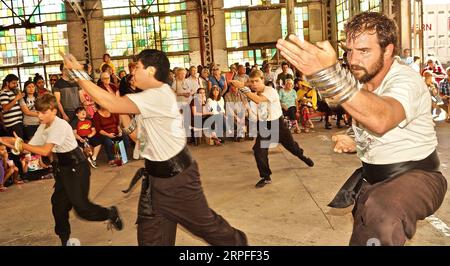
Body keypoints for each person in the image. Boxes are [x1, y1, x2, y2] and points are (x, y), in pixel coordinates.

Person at [277, 11, 447, 246]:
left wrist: (327, 75)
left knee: (382, 215)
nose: (353, 59)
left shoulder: (404, 80)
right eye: (349, 51)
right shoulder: (364, 80)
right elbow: (372, 118)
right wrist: (353, 138)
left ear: (388, 50)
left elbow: (381, 117)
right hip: (373, 179)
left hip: (416, 177)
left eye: (364, 51)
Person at [60, 48, 247, 246]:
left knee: (210, 229)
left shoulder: (159, 94)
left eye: (136, 68)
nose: (132, 72)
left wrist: (78, 74)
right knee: (151, 241)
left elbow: (111, 104)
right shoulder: (147, 100)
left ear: (150, 70)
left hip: (178, 181)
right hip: (155, 181)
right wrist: (121, 105)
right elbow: (134, 134)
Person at [0, 94, 123, 245]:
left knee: (82, 208)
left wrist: (19, 144)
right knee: (58, 205)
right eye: (38, 112)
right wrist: (10, 143)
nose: (39, 116)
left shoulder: (60, 125)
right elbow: (30, 147)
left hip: (77, 167)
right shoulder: (43, 126)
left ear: (53, 111)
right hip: (63, 168)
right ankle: (65, 240)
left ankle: (111, 213)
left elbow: (45, 151)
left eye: (43, 112)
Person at [231, 70, 314, 189]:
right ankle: (266, 177)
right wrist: (241, 84)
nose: (254, 84)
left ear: (263, 80)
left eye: (257, 81)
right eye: (252, 82)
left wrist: (242, 87)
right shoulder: (255, 87)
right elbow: (251, 85)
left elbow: (257, 100)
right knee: (259, 150)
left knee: (292, 147)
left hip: (278, 124)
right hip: (265, 125)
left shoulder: (270, 91)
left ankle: (302, 156)